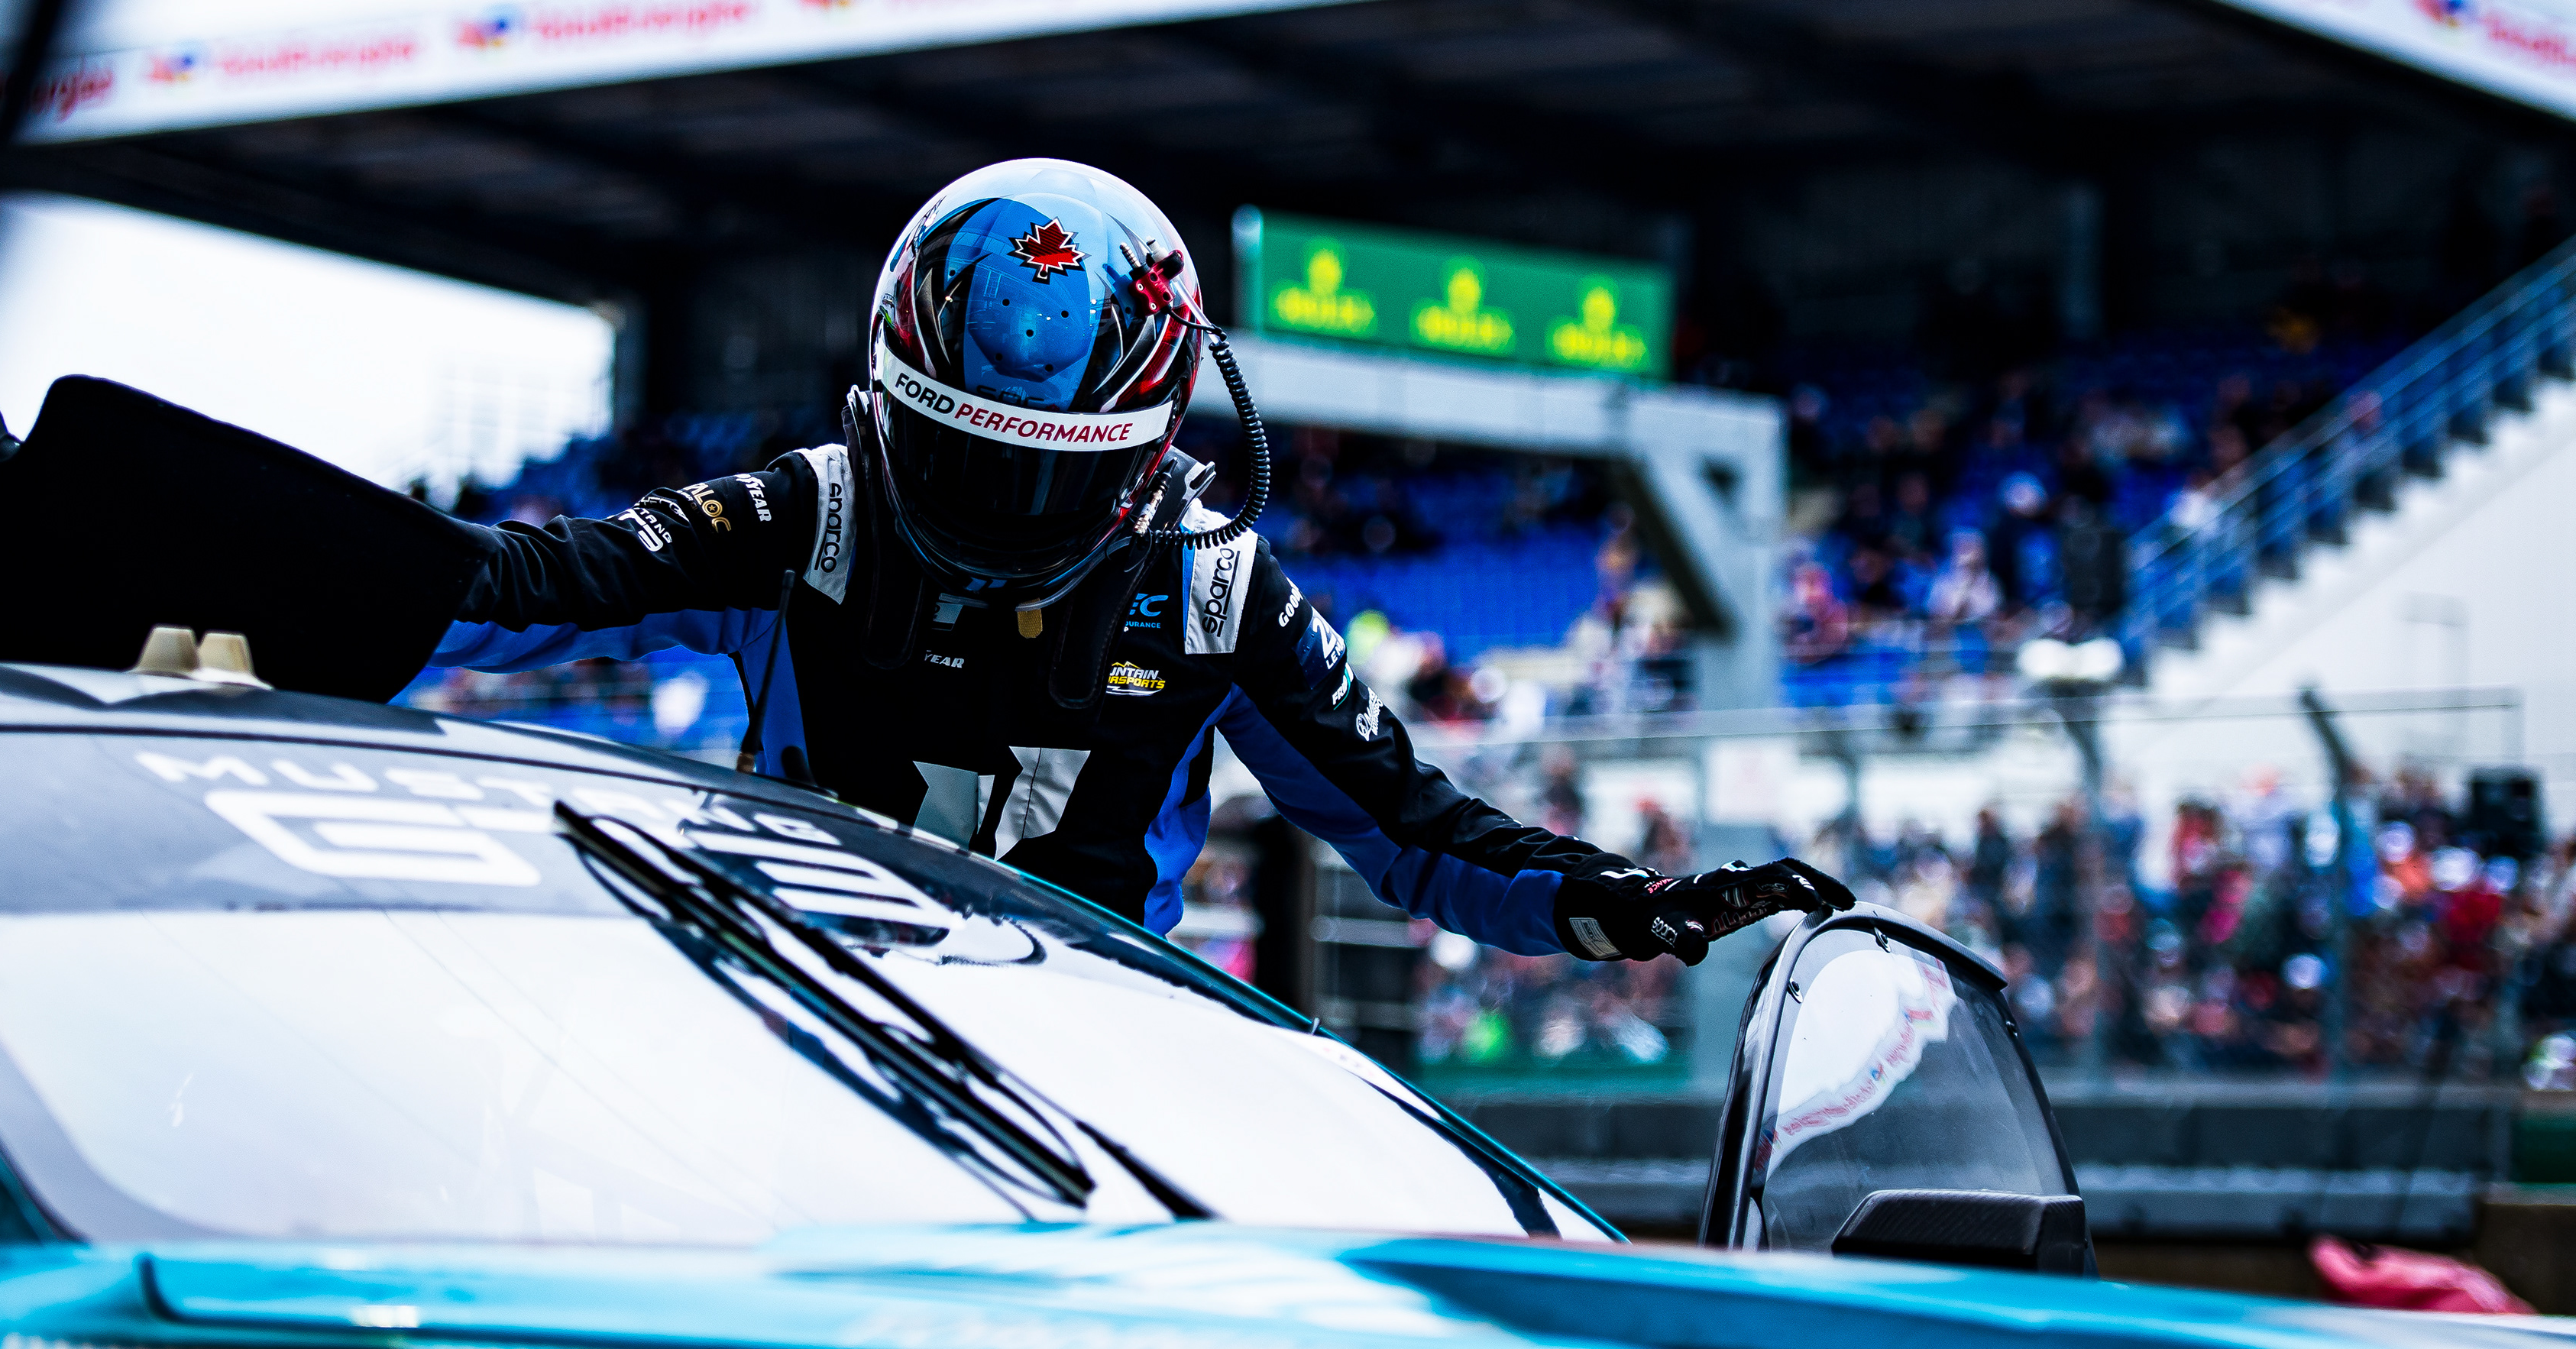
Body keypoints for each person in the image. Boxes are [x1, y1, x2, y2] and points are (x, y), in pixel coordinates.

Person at [435, 160, 1846, 966]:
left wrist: (1630, 903)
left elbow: (1418, 831)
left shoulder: (1214, 590)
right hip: (793, 1036)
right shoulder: (813, 512)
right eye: (968, 456)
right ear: (885, 402)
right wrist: (320, 560)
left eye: (1052, 468)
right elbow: (510, 583)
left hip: (1079, 1085)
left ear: (1152, 437)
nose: (1007, 506)